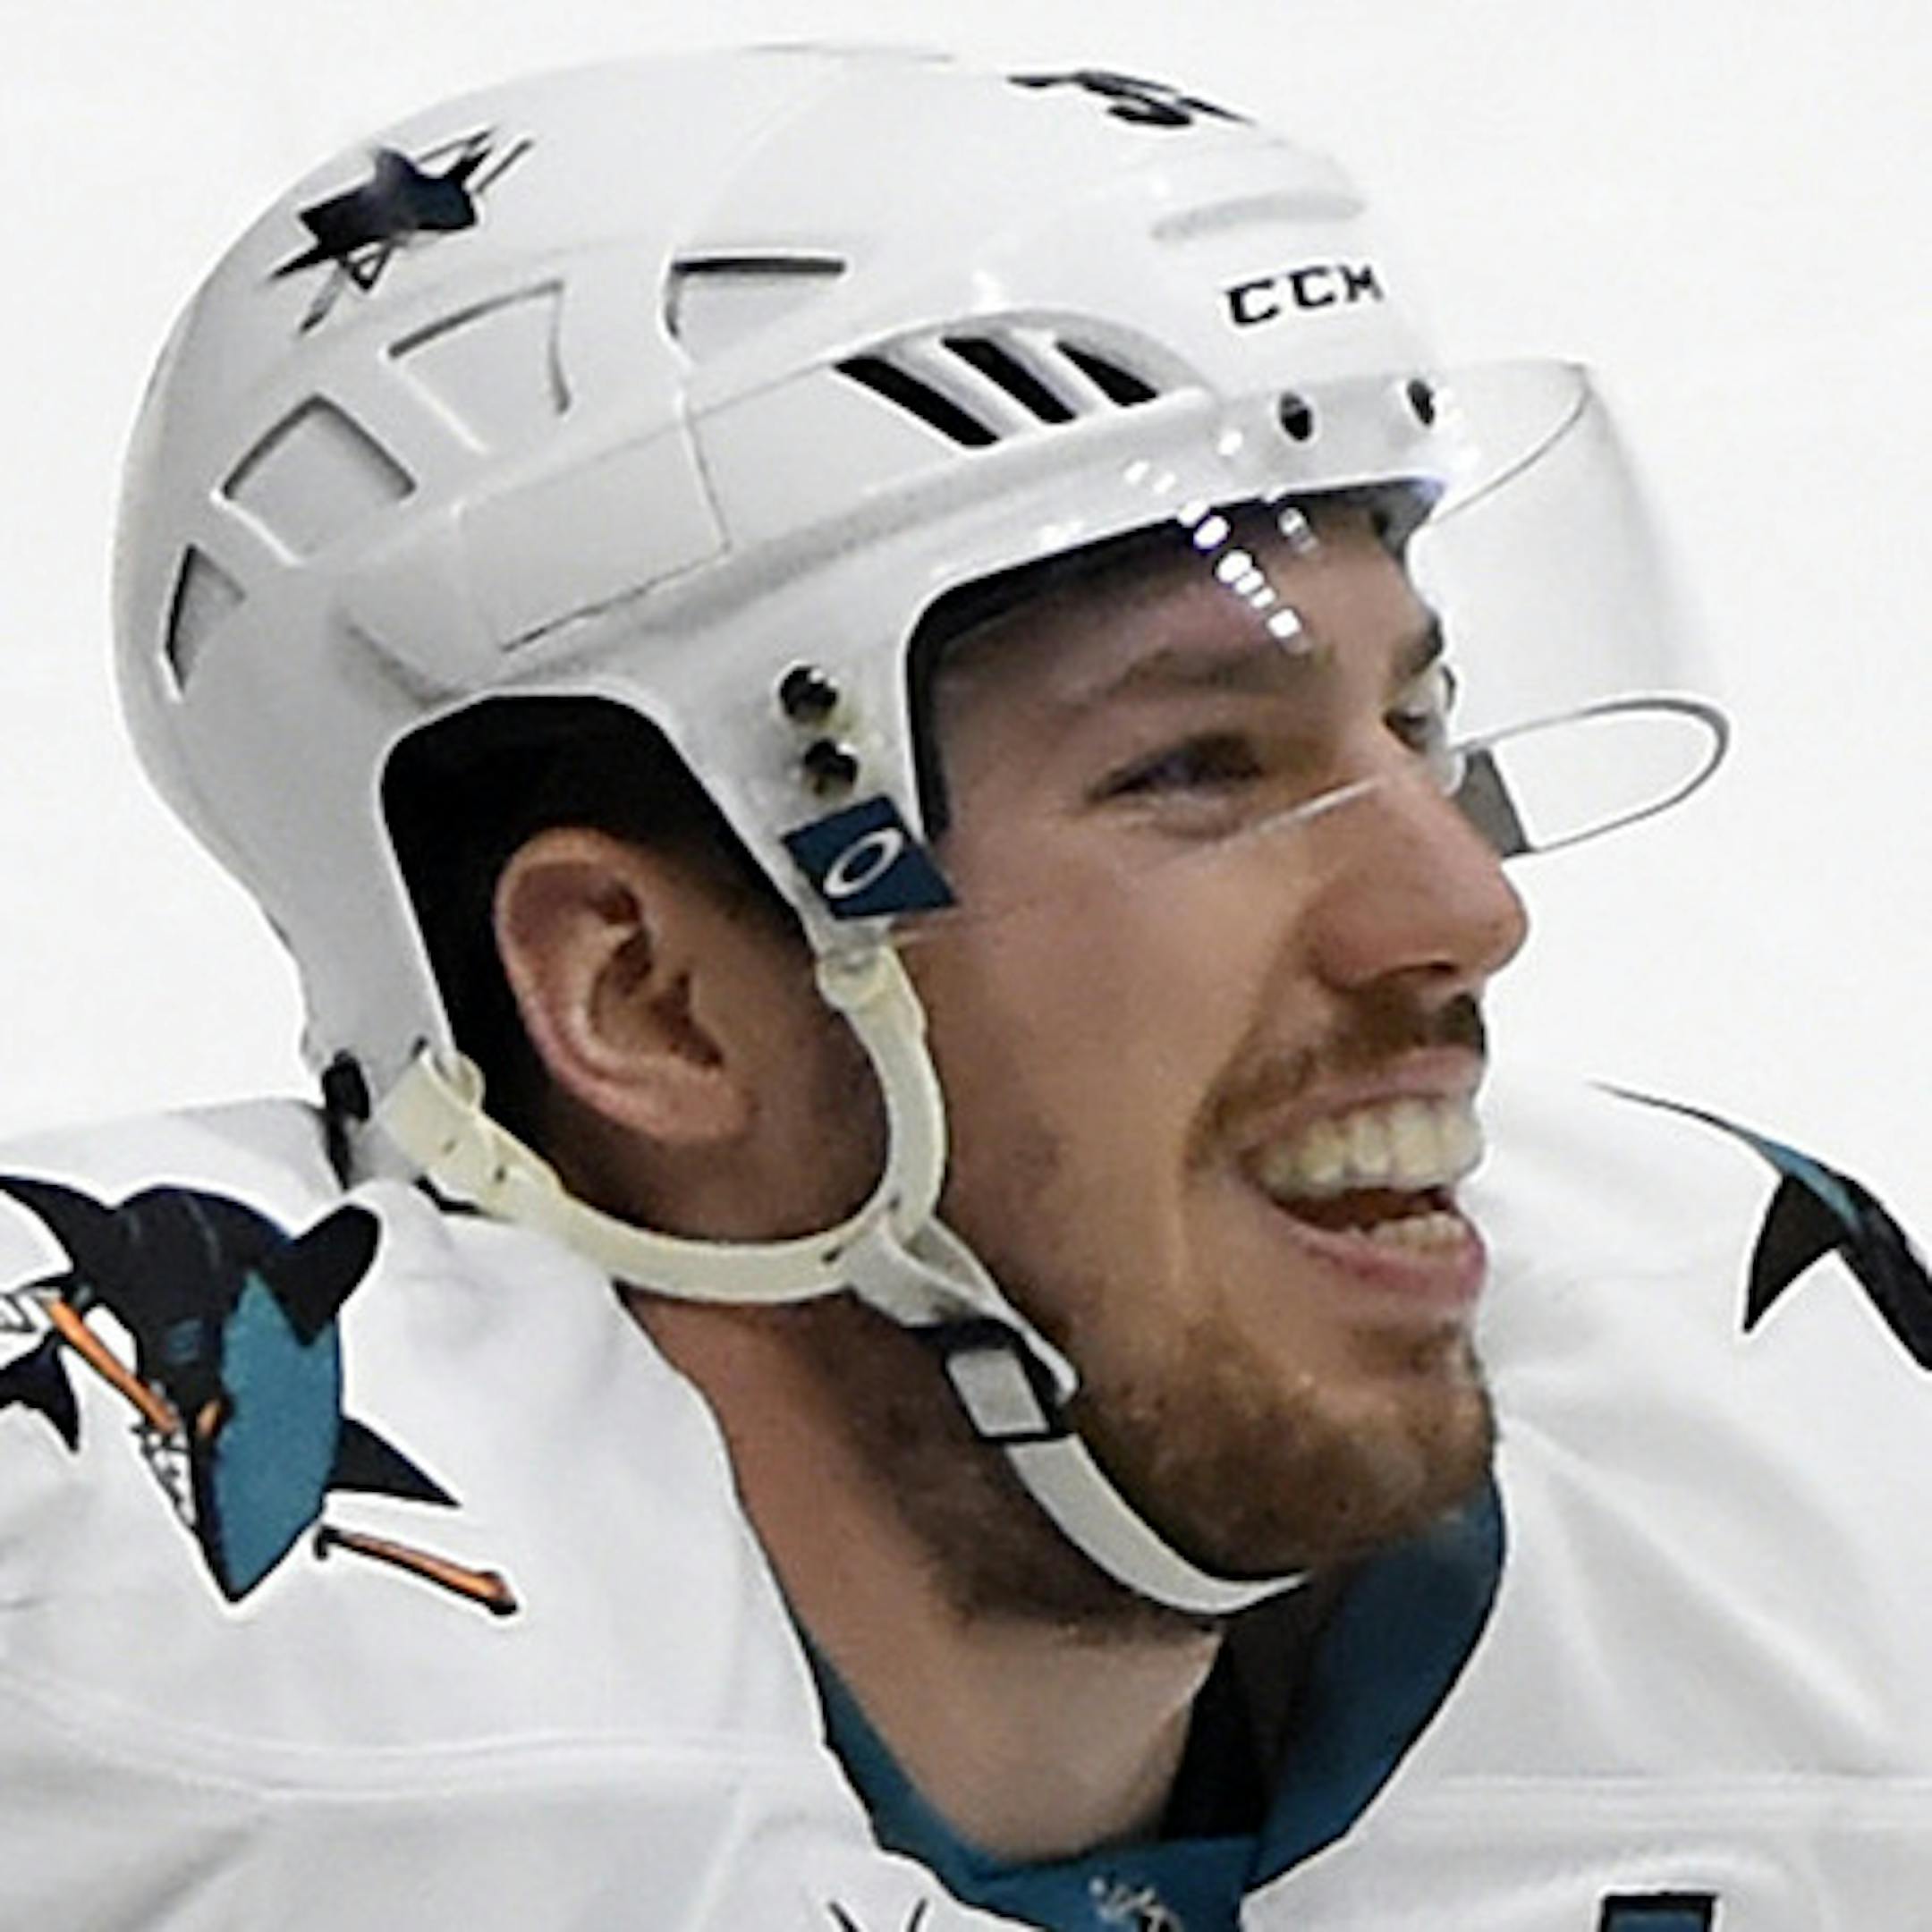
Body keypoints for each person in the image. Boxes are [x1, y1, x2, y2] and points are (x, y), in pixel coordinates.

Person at [2, 47, 1928, 1932]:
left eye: (1420, 725)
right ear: (646, 998)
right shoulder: (129, 1606)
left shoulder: (1796, 1492)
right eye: (1197, 768)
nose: (1456, 905)